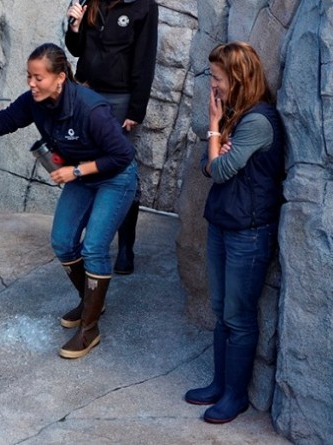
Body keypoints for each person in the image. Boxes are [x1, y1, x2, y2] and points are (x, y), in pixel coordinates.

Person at [0, 43, 137, 359]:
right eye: (29, 76)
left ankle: (89, 330)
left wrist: (75, 171)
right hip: (81, 177)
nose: (31, 84)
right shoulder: (35, 102)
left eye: (38, 78)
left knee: (93, 247)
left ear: (60, 78)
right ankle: (92, 302)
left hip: (115, 177)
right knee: (63, 242)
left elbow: (123, 155)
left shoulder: (91, 109)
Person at [184, 41, 285, 424]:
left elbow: (219, 171)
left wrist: (214, 131)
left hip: (250, 233)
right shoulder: (237, 115)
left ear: (238, 78)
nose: (213, 85)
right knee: (222, 311)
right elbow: (206, 161)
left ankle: (235, 396)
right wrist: (217, 144)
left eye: (217, 77)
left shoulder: (258, 121)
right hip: (226, 225)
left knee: (239, 317)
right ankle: (218, 384)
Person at [65, 0, 158, 275]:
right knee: (86, 163)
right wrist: (74, 25)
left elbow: (145, 58)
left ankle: (126, 246)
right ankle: (91, 240)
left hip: (120, 99)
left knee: (120, 170)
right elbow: (76, 49)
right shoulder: (90, 1)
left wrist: (136, 108)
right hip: (86, 91)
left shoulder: (143, 6)